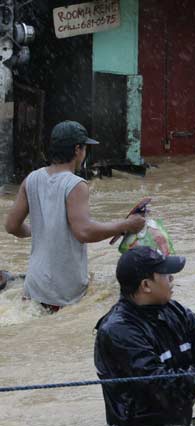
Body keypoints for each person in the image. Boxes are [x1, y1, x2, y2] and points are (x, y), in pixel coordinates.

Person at [4, 121, 146, 311]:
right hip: (63, 293)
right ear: (77, 149)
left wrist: (40, 229)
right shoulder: (76, 184)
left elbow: (12, 226)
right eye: (85, 148)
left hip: (34, 288)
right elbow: (84, 232)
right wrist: (126, 225)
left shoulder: (32, 179)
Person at [94, 246, 195, 426]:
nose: (172, 278)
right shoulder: (118, 330)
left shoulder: (175, 311)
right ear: (146, 285)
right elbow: (160, 384)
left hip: (180, 424)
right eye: (165, 274)